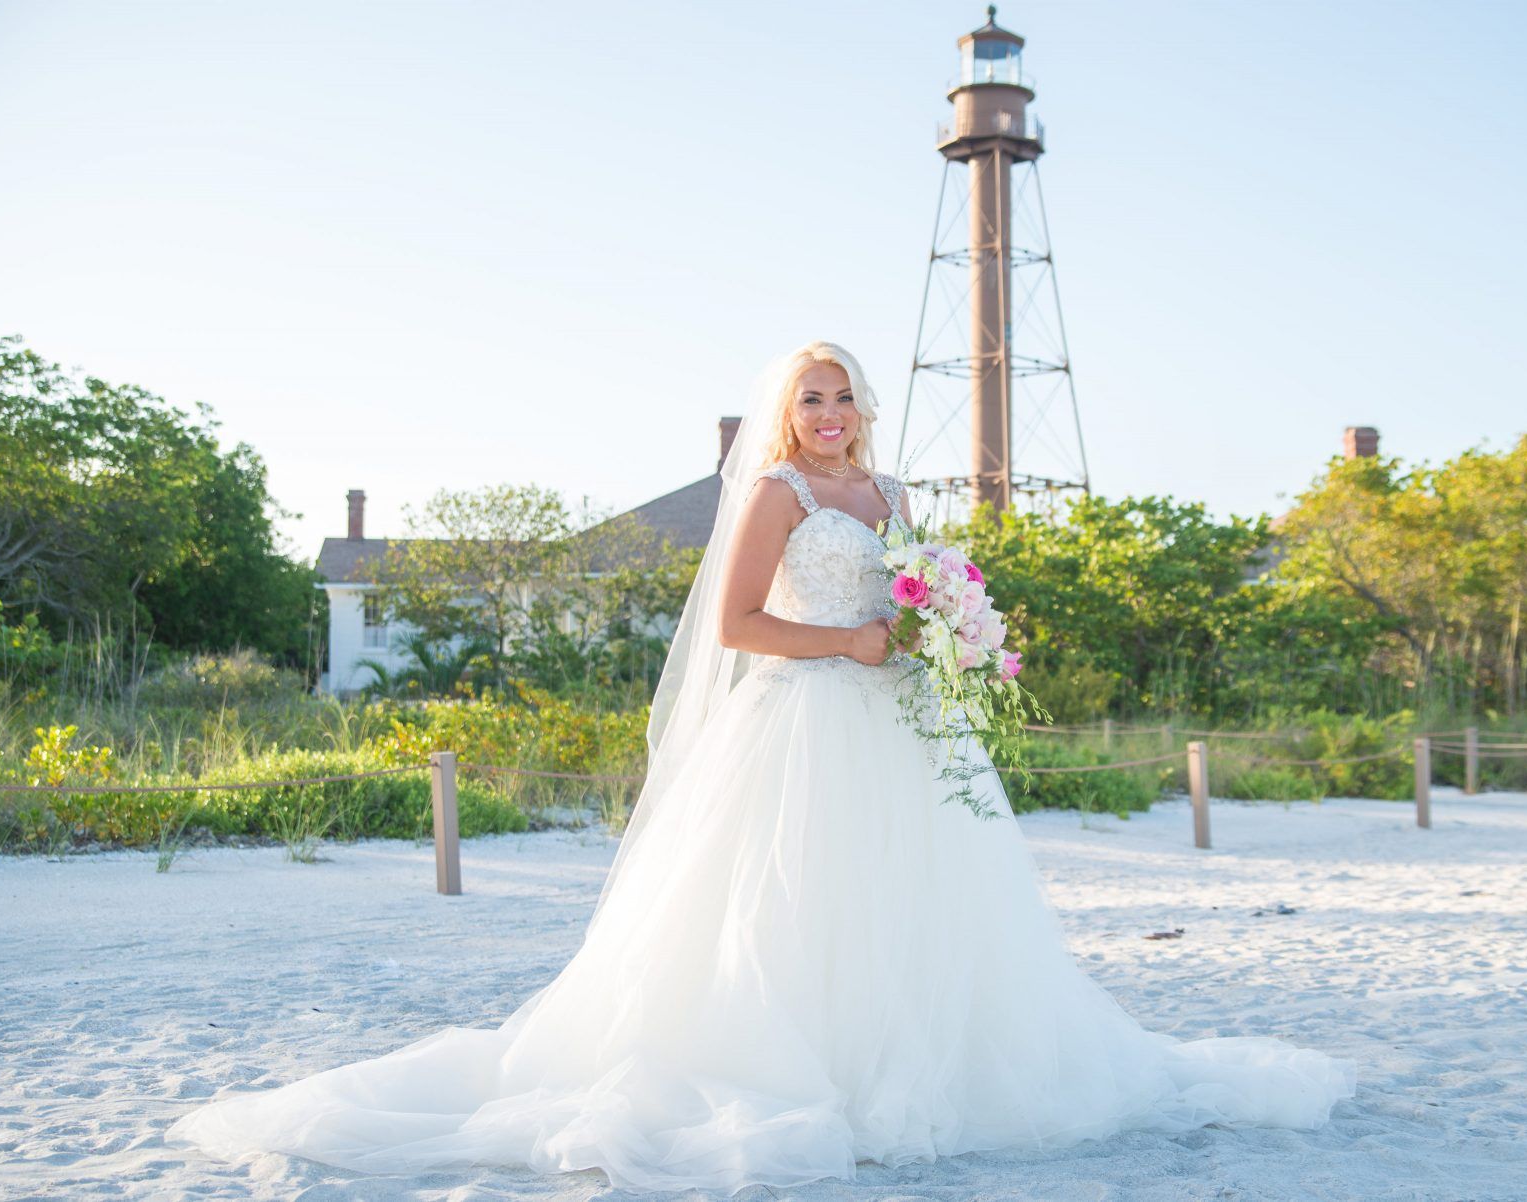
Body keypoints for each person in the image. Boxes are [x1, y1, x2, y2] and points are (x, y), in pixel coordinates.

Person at [165, 341, 1354, 1193]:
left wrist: (963, 638)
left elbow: (920, 590)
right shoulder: (778, 494)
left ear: (864, 406)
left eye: (840, 395)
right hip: (799, 721)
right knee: (788, 906)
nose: (828, 413)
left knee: (917, 907)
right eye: (810, 398)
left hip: (898, 721)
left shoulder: (893, 493)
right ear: (785, 415)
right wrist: (849, 639)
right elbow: (737, 623)